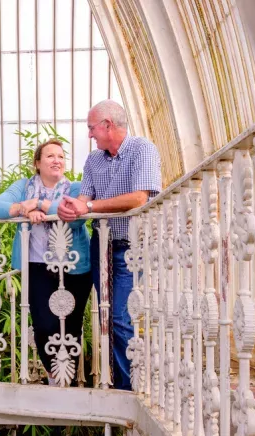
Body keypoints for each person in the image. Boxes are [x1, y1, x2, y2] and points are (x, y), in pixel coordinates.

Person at [58, 100, 161, 391]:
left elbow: (139, 199)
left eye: (92, 128)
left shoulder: (142, 149)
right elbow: (84, 200)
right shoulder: (94, 161)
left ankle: (130, 389)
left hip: (132, 248)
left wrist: (88, 205)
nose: (90, 135)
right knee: (106, 314)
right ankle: (119, 382)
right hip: (100, 245)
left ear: (108, 125)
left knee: (119, 317)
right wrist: (71, 207)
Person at [0, 139, 92, 385]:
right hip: (37, 265)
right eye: (50, 156)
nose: (57, 160)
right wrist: (23, 208)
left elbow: (75, 217)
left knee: (71, 326)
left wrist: (40, 205)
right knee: (44, 325)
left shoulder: (75, 188)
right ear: (37, 163)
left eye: (61, 156)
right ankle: (55, 376)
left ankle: (70, 378)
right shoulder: (23, 187)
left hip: (75, 268)